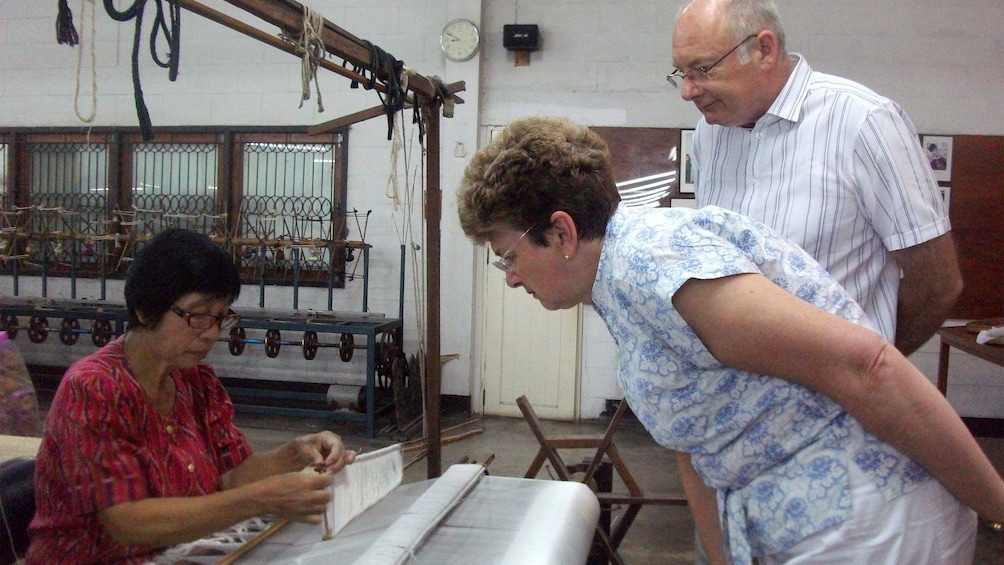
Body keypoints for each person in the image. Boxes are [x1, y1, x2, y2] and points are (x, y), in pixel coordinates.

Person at [456, 115, 1004, 564]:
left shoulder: (655, 264)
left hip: (868, 518)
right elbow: (695, 444)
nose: (509, 276)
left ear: (562, 232)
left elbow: (868, 366)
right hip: (798, 522)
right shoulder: (618, 285)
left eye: (509, 255)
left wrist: (997, 507)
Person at [26, 228, 356, 564]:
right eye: (197, 315)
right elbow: (127, 523)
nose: (212, 332)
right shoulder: (95, 388)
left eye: (219, 317)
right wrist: (262, 499)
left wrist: (298, 453)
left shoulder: (196, 381)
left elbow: (232, 476)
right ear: (144, 310)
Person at [669, 0, 962, 358]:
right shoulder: (709, 135)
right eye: (682, 73)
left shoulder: (864, 122)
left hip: (837, 401)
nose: (688, 90)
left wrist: (865, 370)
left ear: (764, 50)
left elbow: (937, 284)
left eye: (702, 68)